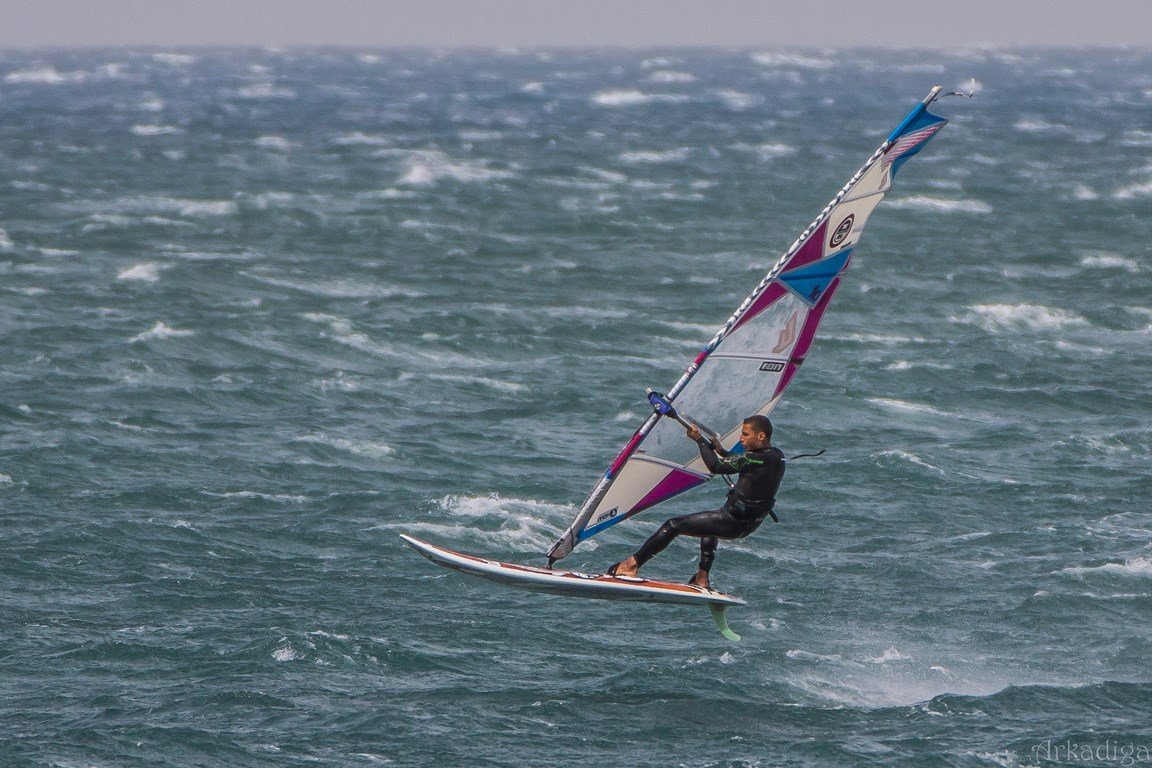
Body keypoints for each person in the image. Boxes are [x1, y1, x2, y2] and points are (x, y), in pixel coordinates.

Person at [607, 414, 785, 590]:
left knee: (673, 525)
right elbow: (741, 462)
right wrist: (721, 451)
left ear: (761, 436)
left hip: (733, 521)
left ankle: (630, 566)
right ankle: (702, 578)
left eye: (746, 434)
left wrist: (699, 440)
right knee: (709, 529)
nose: (741, 438)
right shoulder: (776, 456)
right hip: (749, 525)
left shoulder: (752, 458)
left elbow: (716, 467)